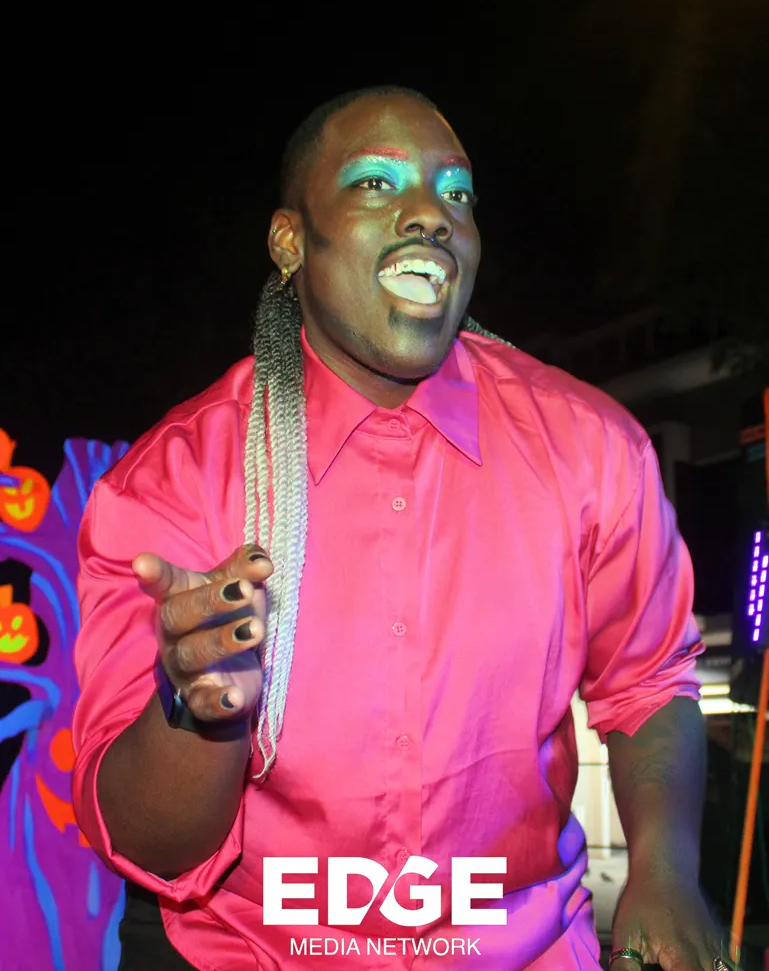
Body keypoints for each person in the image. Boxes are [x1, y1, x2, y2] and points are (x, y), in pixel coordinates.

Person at [72, 86, 733, 971]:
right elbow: (149, 844)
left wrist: (664, 869)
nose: (430, 213)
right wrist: (199, 713)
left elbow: (648, 680)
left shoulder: (589, 448)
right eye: (376, 183)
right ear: (290, 242)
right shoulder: (175, 480)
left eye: (456, 193)